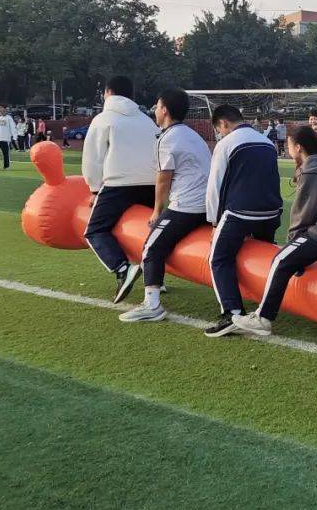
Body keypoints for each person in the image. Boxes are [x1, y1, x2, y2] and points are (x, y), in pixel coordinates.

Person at [229, 125, 317, 337]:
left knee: (280, 261)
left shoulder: (311, 171)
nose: (287, 149)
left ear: (298, 147)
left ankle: (263, 318)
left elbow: (302, 215)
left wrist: (292, 247)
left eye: (288, 145)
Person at [119, 87, 212, 323]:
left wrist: (157, 211)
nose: (155, 111)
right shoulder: (192, 135)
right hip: (207, 205)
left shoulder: (168, 138)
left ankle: (152, 305)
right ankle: (157, 285)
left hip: (188, 206)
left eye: (157, 107)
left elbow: (163, 178)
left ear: (165, 110)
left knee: (150, 247)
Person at [203, 104, 283, 337]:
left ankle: (232, 312)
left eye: (219, 129)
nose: (220, 133)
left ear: (223, 124)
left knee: (218, 259)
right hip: (271, 213)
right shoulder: (267, 143)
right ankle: (265, 306)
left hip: (240, 214)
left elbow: (215, 186)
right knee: (265, 259)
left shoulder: (226, 144)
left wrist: (214, 223)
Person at [81, 75, 160, 304]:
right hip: (152, 184)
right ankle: (156, 279)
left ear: (108, 92)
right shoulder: (147, 120)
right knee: (150, 233)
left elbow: (92, 159)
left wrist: (95, 190)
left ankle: (122, 268)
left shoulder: (103, 119)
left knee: (95, 231)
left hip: (119, 183)